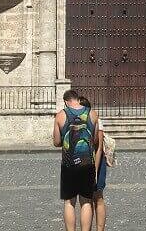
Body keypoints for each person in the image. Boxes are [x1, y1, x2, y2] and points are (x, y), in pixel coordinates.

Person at [54, 89, 100, 231]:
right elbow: (96, 139)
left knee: (69, 202)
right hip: (88, 163)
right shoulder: (92, 113)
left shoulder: (61, 115)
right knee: (86, 201)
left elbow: (56, 142)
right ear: (77, 99)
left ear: (66, 101)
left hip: (69, 164)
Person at [79, 97, 109, 231]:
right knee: (85, 199)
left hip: (96, 163)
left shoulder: (96, 121)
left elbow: (99, 148)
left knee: (97, 196)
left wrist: (94, 171)